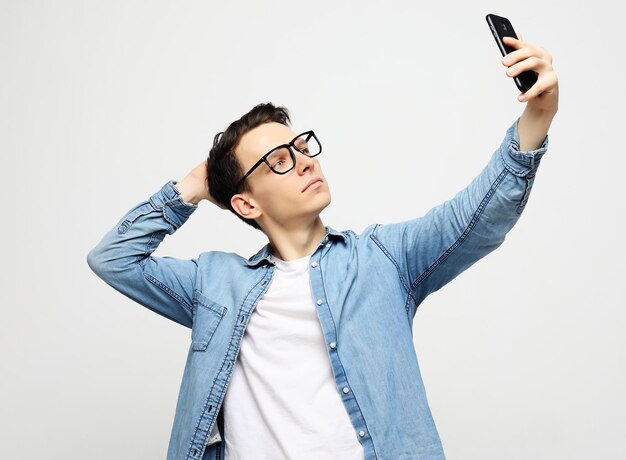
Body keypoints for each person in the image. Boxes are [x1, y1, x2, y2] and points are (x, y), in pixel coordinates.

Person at [87, 35, 558, 460]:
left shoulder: (383, 259)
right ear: (245, 203)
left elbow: (476, 217)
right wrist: (192, 185)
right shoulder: (214, 285)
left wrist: (537, 115)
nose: (305, 162)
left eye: (302, 147)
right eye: (279, 160)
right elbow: (113, 258)